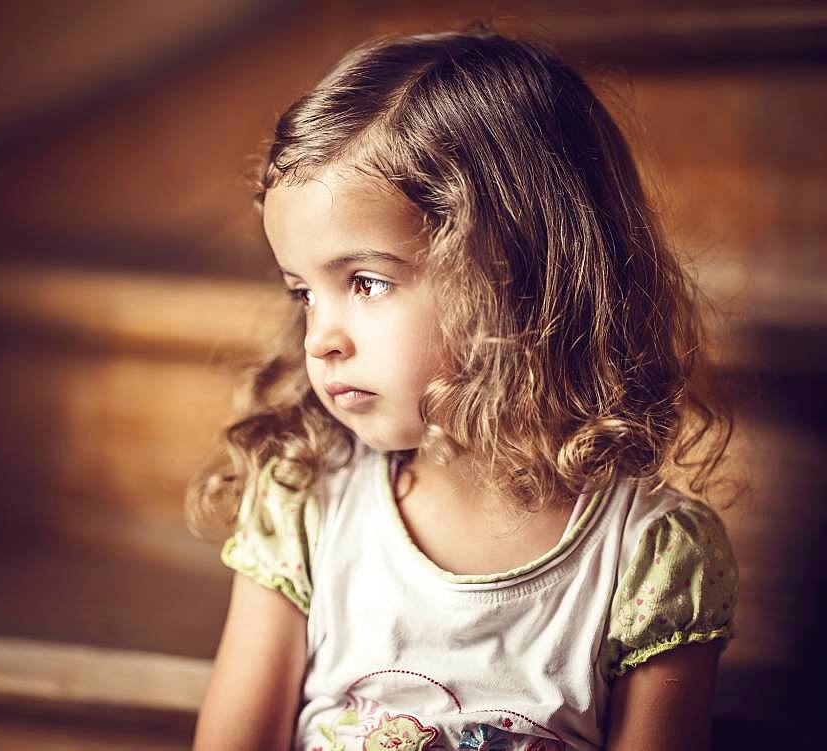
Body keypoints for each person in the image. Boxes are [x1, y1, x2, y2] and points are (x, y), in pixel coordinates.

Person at [187, 23, 738, 751]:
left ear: (518, 274)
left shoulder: (649, 557)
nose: (321, 336)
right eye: (303, 292)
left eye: (366, 281)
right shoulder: (306, 505)